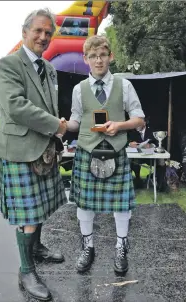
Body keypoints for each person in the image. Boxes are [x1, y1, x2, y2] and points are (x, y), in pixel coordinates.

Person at [0, 9, 68, 301]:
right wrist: (56, 126)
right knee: (29, 214)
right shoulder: (9, 64)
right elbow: (15, 106)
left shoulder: (48, 68)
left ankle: (36, 248)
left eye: (48, 33)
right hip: (20, 150)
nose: (43, 37)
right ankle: (27, 270)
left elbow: (49, 105)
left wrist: (57, 125)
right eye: (38, 31)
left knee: (41, 208)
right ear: (24, 32)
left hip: (44, 147)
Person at [66, 35, 145, 275]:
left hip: (116, 150)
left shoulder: (125, 85)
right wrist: (61, 125)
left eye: (102, 55)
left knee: (121, 206)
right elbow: (75, 122)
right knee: (84, 205)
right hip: (87, 151)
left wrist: (119, 126)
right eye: (93, 56)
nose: (98, 60)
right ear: (86, 59)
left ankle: (121, 248)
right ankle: (87, 247)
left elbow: (139, 119)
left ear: (110, 56)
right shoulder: (78, 89)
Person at [128, 118, 168, 191]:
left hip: (151, 158)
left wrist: (151, 145)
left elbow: (158, 143)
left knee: (161, 162)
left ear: (144, 123)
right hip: (138, 158)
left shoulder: (152, 130)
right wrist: (130, 143)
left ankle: (160, 184)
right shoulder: (132, 131)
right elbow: (128, 141)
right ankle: (137, 180)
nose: (136, 125)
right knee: (131, 161)